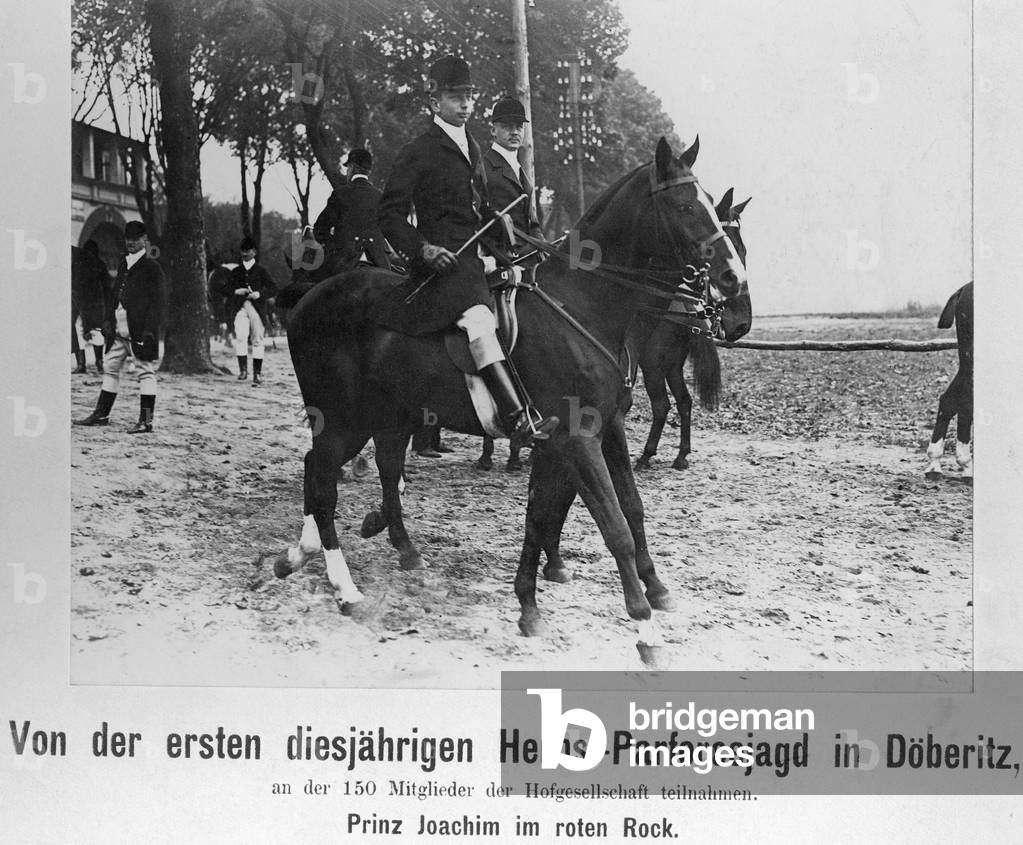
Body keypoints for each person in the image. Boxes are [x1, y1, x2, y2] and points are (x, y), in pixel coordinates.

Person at [376, 55, 557, 446]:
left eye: (469, 97)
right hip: (442, 268)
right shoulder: (418, 150)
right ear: (433, 101)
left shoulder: (473, 147)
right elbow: (389, 215)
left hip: (475, 259)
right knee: (478, 318)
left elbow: (476, 206)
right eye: (455, 97)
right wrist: (422, 250)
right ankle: (515, 416)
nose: (465, 104)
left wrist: (501, 223)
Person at [73, 220, 165, 433]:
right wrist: (108, 318)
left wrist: (150, 330)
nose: (131, 242)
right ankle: (101, 414)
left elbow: (158, 302)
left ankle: (147, 420)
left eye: (136, 238)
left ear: (144, 240)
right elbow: (115, 293)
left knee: (145, 372)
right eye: (128, 238)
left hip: (139, 328)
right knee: (110, 367)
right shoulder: (124, 264)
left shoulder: (152, 267)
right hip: (119, 326)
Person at [312, 148, 392, 275]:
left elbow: (320, 229)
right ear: (368, 171)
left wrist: (334, 245)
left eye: (347, 168)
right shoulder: (380, 196)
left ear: (352, 167)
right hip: (378, 258)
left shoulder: (340, 194)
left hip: (345, 258)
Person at [483, 96, 543, 250]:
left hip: (528, 257)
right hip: (500, 259)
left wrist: (543, 247)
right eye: (507, 126)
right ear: (493, 131)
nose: (515, 132)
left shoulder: (521, 171)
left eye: (519, 127)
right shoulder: (483, 168)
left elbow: (533, 223)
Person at [221, 237, 277, 385]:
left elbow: (273, 288)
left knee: (258, 340)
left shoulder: (261, 271)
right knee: (241, 337)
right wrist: (236, 290)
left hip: (257, 309)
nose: (244, 253)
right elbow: (225, 289)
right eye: (242, 250)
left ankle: (257, 373)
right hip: (240, 308)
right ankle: (243, 371)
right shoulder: (236, 271)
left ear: (254, 252)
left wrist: (259, 294)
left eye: (248, 250)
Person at [71, 240, 108, 374]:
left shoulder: (77, 264)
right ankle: (99, 363)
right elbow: (106, 287)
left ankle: (82, 364)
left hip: (79, 303)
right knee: (96, 332)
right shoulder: (100, 265)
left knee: (79, 332)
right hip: (95, 304)